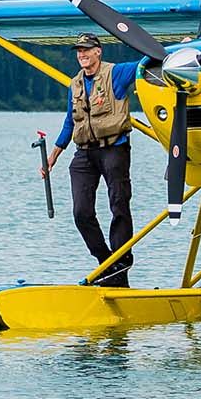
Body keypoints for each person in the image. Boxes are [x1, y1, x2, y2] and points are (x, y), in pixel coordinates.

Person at [43, 33, 139, 288]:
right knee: (81, 212)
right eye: (78, 51)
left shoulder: (116, 74)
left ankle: (120, 264)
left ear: (98, 51)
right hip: (84, 152)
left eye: (87, 49)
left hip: (114, 149)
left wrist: (179, 51)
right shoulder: (74, 84)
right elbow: (69, 121)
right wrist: (53, 155)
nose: (82, 54)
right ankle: (107, 263)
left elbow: (147, 62)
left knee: (119, 205)